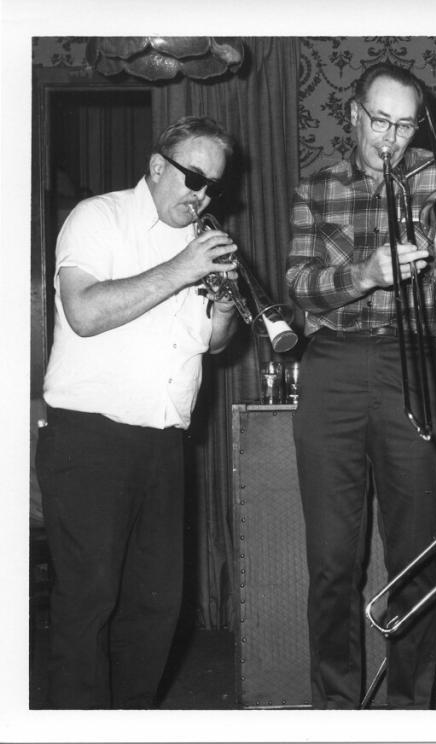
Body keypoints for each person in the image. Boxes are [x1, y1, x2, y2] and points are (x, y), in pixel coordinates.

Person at [285, 62, 436, 709]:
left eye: (404, 125)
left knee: (416, 557)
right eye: (381, 122)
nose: (392, 138)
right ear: (354, 115)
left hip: (414, 362)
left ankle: (409, 712)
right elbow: (300, 287)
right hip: (333, 365)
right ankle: (337, 710)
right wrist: (366, 272)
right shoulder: (317, 188)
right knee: (333, 564)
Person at [35, 115, 240, 708]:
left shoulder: (196, 240)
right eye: (194, 178)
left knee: (155, 609)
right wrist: (187, 268)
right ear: (157, 167)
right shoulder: (98, 218)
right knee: (88, 603)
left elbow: (215, 342)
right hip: (90, 441)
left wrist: (224, 299)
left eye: (213, 187)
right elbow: (85, 313)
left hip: (164, 443)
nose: (203, 196)